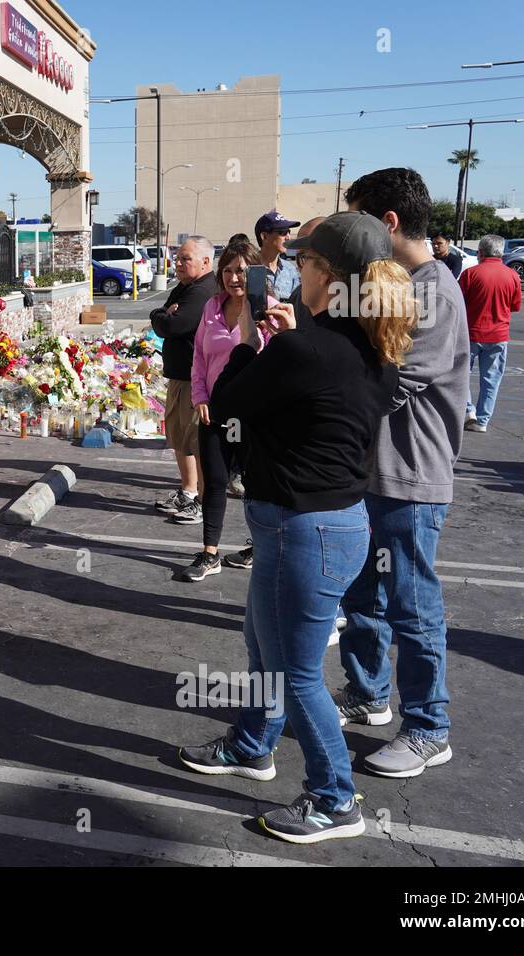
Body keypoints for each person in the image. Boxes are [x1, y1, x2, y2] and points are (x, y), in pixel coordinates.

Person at [178, 212, 414, 844]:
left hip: (302, 531)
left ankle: (335, 798)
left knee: (296, 674)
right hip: (323, 526)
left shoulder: (305, 348)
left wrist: (255, 339)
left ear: (327, 276)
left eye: (305, 263)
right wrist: (283, 338)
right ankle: (255, 744)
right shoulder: (369, 342)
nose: (293, 270)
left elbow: (224, 405)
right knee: (264, 649)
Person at [339, 167, 469, 777]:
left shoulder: (433, 292)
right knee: (361, 593)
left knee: (411, 604)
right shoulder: (396, 285)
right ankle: (367, 695)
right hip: (371, 474)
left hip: (409, 477)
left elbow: (393, 382)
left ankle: (428, 726)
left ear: (387, 224)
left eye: (360, 223)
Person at [177, 241, 274, 582]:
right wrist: (200, 397)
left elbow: (282, 363)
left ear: (257, 273)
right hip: (215, 411)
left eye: (243, 271)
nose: (235, 278)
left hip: (254, 414)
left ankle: (260, 545)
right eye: (229, 270)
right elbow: (199, 358)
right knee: (215, 482)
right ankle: (209, 553)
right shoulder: (211, 309)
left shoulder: (271, 310)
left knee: (256, 484)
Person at [149, 237, 218, 523]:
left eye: (184, 259)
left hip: (195, 380)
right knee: (180, 438)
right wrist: (161, 314)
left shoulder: (202, 291)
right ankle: (188, 492)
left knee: (196, 442)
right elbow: (161, 316)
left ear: (205, 261)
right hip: (179, 376)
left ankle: (203, 500)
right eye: (177, 258)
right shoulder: (186, 287)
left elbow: (174, 324)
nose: (177, 264)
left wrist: (164, 316)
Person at [458, 234, 521, 433]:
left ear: (480, 252)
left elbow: (459, 302)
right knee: (491, 379)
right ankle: (482, 420)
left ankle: (468, 410)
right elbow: (515, 306)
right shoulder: (512, 275)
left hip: (471, 332)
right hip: (499, 335)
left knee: (461, 375)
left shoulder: (471, 274)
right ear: (501, 252)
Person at [254, 210, 301, 300]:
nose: (288, 237)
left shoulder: (290, 270)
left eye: (289, 232)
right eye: (283, 232)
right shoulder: (249, 268)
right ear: (264, 236)